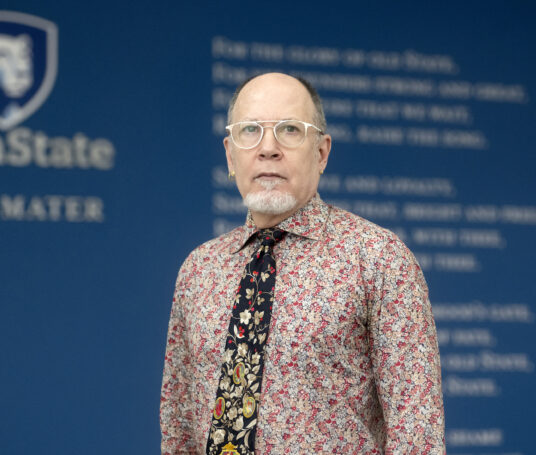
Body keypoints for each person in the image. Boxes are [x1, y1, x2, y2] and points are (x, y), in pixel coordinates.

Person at [160, 72, 445, 454]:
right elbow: (178, 429)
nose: (268, 149)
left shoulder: (379, 259)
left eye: (290, 129)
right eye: (250, 131)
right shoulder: (198, 270)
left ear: (322, 152)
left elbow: (418, 436)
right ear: (230, 154)